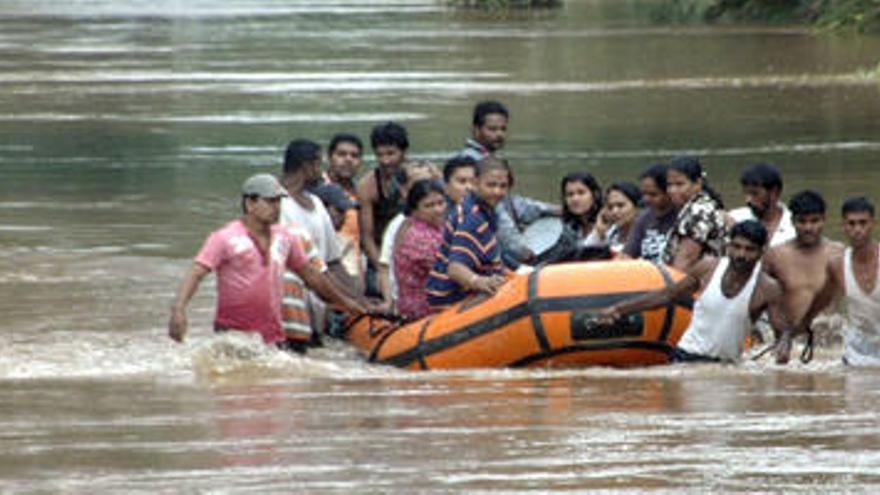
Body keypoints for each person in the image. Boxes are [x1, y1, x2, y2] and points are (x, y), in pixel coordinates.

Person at [167, 173, 366, 352]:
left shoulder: (286, 237)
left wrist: (346, 303)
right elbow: (196, 273)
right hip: (232, 335)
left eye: (279, 201)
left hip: (273, 336)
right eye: (270, 201)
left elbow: (311, 276)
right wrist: (179, 310)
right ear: (250, 203)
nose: (277, 207)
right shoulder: (225, 238)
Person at [598, 220, 786, 363]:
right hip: (685, 357)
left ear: (762, 252)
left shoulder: (768, 289)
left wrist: (784, 345)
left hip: (725, 368)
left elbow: (781, 331)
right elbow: (667, 295)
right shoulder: (707, 268)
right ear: (728, 246)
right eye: (736, 247)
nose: (741, 255)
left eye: (749, 249)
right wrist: (619, 309)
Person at [457, 100, 557, 267]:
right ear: (476, 130)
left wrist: (548, 209)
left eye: (503, 129)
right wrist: (520, 248)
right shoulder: (473, 163)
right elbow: (499, 213)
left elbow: (513, 203)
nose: (499, 134)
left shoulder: (488, 160)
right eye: (492, 129)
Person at [280, 139, 352, 340]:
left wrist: (359, 296)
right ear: (306, 166)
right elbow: (309, 271)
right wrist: (350, 302)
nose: (321, 172)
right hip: (288, 310)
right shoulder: (277, 206)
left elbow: (333, 262)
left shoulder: (317, 204)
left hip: (317, 310)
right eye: (318, 164)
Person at [764, 190, 844, 364]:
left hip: (830, 342)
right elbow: (762, 298)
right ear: (793, 221)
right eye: (802, 221)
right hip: (791, 341)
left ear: (824, 219)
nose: (808, 228)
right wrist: (779, 336)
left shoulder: (839, 253)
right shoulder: (776, 256)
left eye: (814, 221)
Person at [426, 156, 511, 309]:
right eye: (491, 185)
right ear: (475, 183)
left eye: (503, 186)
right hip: (451, 298)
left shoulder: (481, 209)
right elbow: (455, 269)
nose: (497, 191)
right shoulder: (473, 219)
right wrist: (480, 282)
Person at [376, 160, 440, 310]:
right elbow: (384, 267)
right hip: (414, 300)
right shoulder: (401, 226)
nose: (426, 188)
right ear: (405, 191)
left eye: (430, 182)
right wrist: (388, 301)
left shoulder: (440, 219)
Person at [357, 121, 409, 297]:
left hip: (413, 250)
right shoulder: (368, 185)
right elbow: (367, 238)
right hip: (380, 255)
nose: (385, 161)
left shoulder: (417, 179)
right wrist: (383, 269)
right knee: (374, 287)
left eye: (391, 154)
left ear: (403, 152)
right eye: (380, 155)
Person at [827, 196, 880, 366]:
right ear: (843, 226)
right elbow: (830, 309)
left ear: (873, 224)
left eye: (863, 223)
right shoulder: (836, 264)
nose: (857, 229)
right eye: (851, 224)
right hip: (856, 353)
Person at [394, 180, 448, 320]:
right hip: (423, 308)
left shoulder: (436, 227)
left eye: (441, 203)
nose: (438, 209)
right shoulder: (419, 237)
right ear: (415, 210)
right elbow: (449, 274)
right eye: (429, 206)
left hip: (432, 298)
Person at [662, 156, 728, 271]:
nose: (672, 190)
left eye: (679, 184)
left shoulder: (699, 212)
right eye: (669, 185)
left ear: (697, 184)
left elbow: (685, 261)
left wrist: (668, 287)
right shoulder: (694, 206)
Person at [324, 133, 365, 283]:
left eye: (354, 156)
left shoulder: (361, 192)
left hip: (355, 270)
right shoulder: (317, 190)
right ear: (329, 158)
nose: (348, 160)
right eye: (341, 154)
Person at [728, 163, 795, 247]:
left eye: (755, 194)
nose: (748, 200)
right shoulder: (734, 219)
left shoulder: (795, 225)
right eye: (746, 193)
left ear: (774, 192)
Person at [622, 163, 677, 263]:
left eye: (653, 194)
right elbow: (627, 255)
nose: (646, 199)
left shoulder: (683, 217)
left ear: (668, 192)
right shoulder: (643, 219)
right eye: (644, 194)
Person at [590, 181, 641, 255]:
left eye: (620, 205)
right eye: (610, 207)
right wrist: (599, 233)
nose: (614, 211)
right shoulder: (609, 234)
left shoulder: (646, 236)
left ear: (637, 208)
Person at [560, 171, 603, 242]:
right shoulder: (567, 228)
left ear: (595, 195)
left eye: (581, 192)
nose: (575, 199)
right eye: (570, 194)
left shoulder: (608, 223)